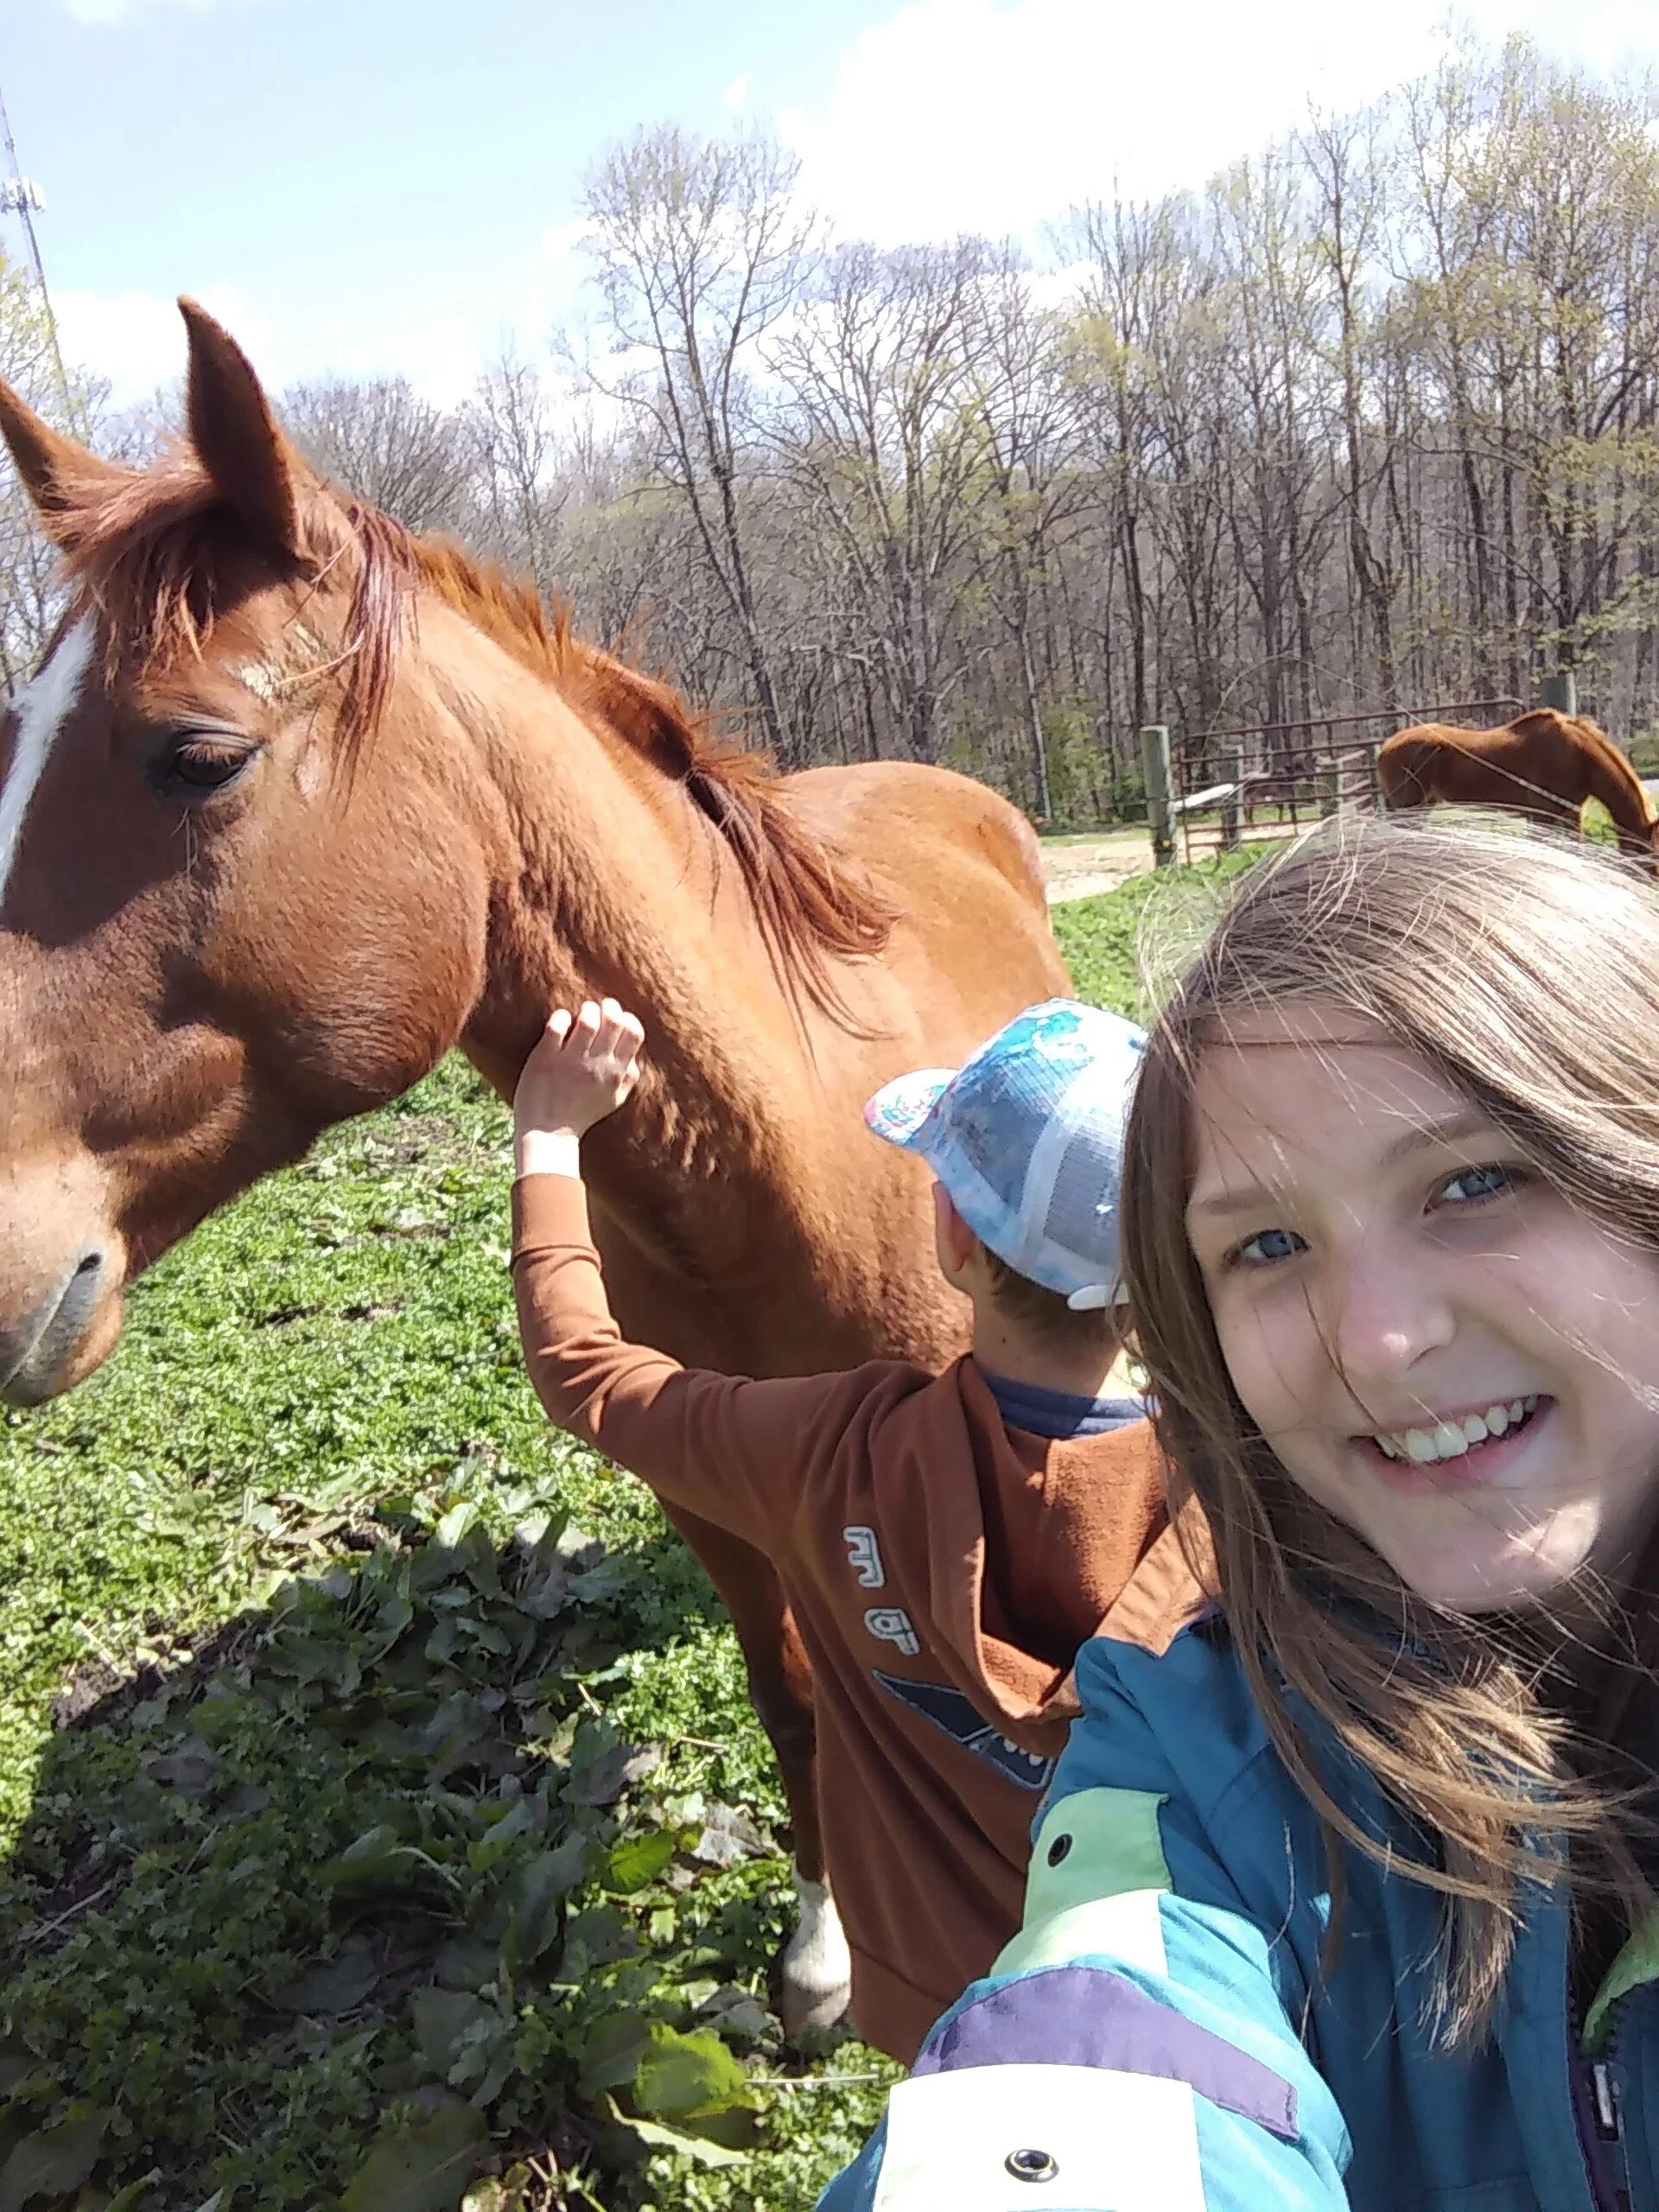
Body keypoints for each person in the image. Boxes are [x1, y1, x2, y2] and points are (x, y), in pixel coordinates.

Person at [818, 813, 1659, 2211]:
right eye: (1268, 1243)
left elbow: (608, 1390)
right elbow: (1104, 2030)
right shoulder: (1201, 1761)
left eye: (1475, 1180)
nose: (1377, 1344)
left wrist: (550, 1160)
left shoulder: (837, 1446)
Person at [509, 994, 1184, 2064]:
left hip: (937, 2005)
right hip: (1177, 1997)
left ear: (954, 1237)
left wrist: (548, 1137)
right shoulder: (1240, 1493)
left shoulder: (832, 1452)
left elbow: (582, 1370)